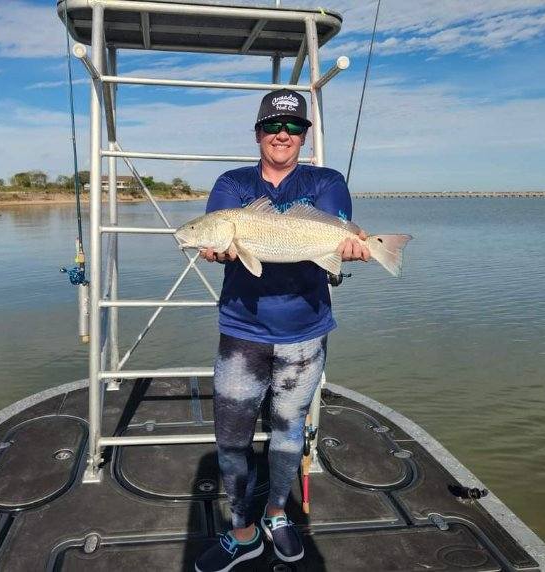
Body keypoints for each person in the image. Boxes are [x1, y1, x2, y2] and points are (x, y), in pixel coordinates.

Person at [194, 89, 370, 572]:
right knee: (231, 438)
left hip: (305, 332)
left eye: (293, 127)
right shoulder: (232, 185)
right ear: (257, 133)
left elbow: (335, 229)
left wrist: (349, 246)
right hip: (242, 330)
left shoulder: (326, 180)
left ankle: (276, 513)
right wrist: (214, 244)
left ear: (304, 136)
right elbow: (223, 239)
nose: (282, 135)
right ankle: (242, 531)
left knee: (290, 433)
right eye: (273, 125)